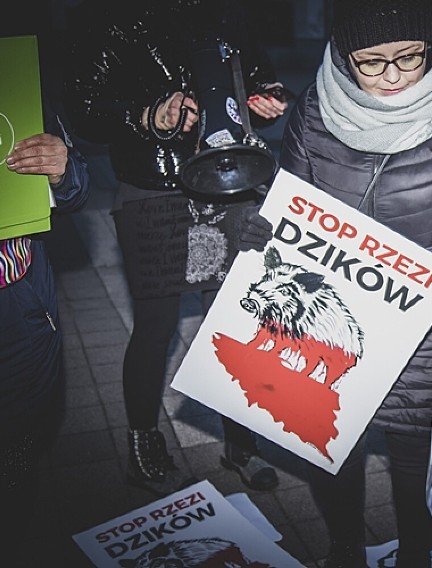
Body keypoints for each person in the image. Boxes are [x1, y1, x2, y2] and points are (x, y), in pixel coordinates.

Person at [239, 1, 432, 565]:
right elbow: (289, 199)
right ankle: (345, 545)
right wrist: (261, 227)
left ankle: (417, 552)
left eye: (410, 58)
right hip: (328, 306)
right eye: (371, 63)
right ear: (341, 56)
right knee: (330, 439)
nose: (394, 77)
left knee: (414, 448)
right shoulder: (314, 111)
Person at [62, 0, 288, 497]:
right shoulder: (110, 14)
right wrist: (148, 115)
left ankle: (240, 443)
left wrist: (265, 97)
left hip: (225, 185)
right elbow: (84, 106)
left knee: (229, 318)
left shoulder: (228, 11)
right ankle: (144, 446)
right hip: (155, 189)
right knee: (156, 325)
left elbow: (254, 77)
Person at [1, 98, 90, 559]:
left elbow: (77, 187)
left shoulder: (16, 80)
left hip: (15, 312)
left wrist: (62, 168)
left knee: (15, 454)